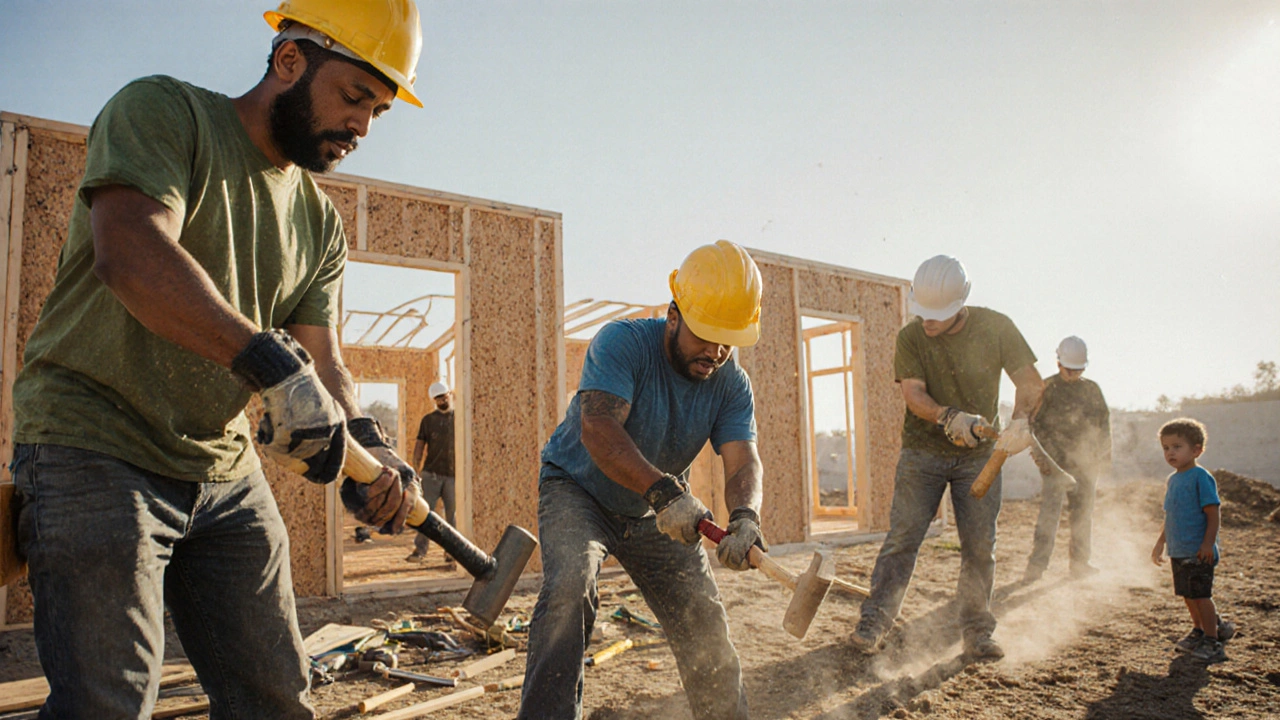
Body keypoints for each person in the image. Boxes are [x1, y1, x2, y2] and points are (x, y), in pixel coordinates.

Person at [9, 2, 426, 716]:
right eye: (355, 96)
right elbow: (131, 252)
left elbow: (326, 365)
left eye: (379, 111)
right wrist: (268, 364)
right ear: (290, 60)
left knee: (276, 697)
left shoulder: (317, 221)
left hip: (224, 472)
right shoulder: (165, 113)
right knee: (107, 704)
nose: (361, 126)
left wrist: (368, 451)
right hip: (95, 444)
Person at [519, 240, 765, 720]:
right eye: (706, 333)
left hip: (659, 511)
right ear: (674, 315)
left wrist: (746, 517)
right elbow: (599, 429)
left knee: (705, 624)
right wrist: (664, 492)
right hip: (579, 490)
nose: (715, 351)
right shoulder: (622, 343)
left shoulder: (732, 382)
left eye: (727, 339)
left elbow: (742, 460)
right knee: (570, 585)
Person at [850, 255, 1043, 661]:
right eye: (923, 312)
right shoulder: (911, 336)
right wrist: (948, 416)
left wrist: (1022, 422)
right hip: (922, 453)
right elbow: (913, 393)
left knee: (979, 546)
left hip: (979, 458)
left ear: (962, 305)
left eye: (938, 315)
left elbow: (1030, 382)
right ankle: (875, 621)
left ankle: (977, 632)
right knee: (902, 539)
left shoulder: (997, 327)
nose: (928, 322)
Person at [1023, 336, 1112, 582]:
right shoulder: (1045, 388)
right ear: (1058, 362)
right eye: (1068, 369)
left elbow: (1103, 423)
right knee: (1048, 516)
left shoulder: (1091, 390)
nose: (1072, 374)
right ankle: (1036, 567)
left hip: (1085, 463)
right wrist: (1040, 456)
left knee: (1083, 515)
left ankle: (1080, 564)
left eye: (1078, 369)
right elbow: (1033, 425)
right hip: (1054, 464)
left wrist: (1104, 454)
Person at [1150, 418, 1235, 663]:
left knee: (1201, 595)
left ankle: (1213, 641)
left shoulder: (1200, 477)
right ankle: (1201, 630)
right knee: (1188, 595)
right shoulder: (1173, 480)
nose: (1170, 452)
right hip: (1179, 550)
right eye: (1166, 448)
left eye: (1177, 446)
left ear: (1196, 450)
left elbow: (1212, 512)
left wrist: (1208, 544)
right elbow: (1171, 515)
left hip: (1198, 551)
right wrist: (1160, 543)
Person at [407, 380, 457, 566]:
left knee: (452, 516)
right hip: (431, 475)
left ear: (449, 394)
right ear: (433, 401)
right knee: (424, 513)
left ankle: (452, 553)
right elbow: (419, 447)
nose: (442, 401)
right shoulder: (428, 421)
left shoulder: (458, 419)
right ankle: (420, 550)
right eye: (438, 399)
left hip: (453, 476)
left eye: (444, 397)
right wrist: (416, 471)